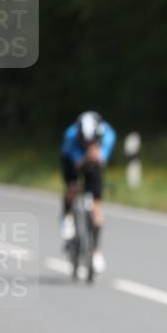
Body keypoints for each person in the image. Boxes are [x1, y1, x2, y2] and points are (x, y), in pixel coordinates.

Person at [60, 111, 116, 273]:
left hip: (94, 158)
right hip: (71, 159)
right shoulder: (71, 135)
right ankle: (67, 218)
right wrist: (83, 158)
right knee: (73, 187)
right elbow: (75, 162)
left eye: (91, 141)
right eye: (85, 141)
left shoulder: (108, 134)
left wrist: (99, 156)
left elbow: (103, 159)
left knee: (97, 202)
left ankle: (96, 251)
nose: (87, 143)